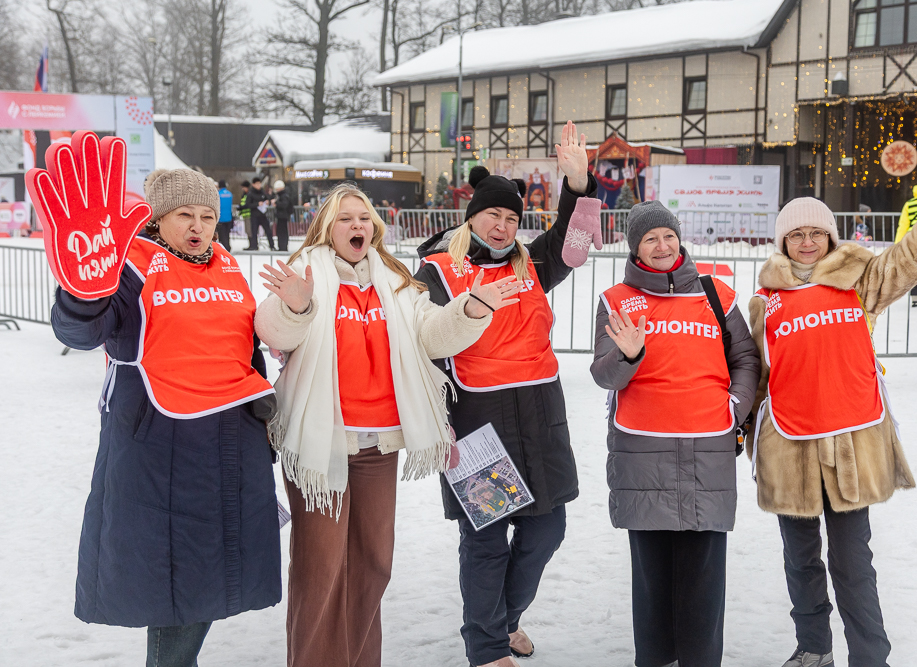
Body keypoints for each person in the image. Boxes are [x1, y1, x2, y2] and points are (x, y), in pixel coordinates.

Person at [255, 183, 521, 667]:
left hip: (379, 445)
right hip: (321, 446)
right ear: (326, 227)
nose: (357, 226)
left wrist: (471, 309)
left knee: (374, 563)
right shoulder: (304, 274)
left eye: (364, 218)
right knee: (322, 569)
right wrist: (296, 306)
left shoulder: (394, 278)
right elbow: (273, 331)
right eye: (345, 218)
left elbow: (432, 335)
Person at [51, 169, 282, 666]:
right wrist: (80, 292)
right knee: (172, 579)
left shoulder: (222, 262)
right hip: (159, 439)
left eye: (206, 216)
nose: (199, 227)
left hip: (230, 435)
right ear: (158, 219)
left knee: (211, 572)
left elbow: (243, 342)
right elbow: (82, 333)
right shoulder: (128, 265)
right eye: (184, 216)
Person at [747, 192, 917, 667]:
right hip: (788, 447)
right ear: (783, 241)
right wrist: (743, 431)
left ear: (831, 236)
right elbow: (758, 374)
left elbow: (913, 256)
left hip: (849, 441)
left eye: (817, 233)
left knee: (852, 565)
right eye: (797, 234)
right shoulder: (764, 301)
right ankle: (813, 648)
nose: (808, 242)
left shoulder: (862, 279)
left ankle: (870, 657)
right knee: (801, 562)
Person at [413, 121, 597, 667]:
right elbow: (425, 340)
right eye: (492, 214)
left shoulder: (530, 263)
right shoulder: (438, 270)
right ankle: (488, 645)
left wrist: (579, 186)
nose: (502, 226)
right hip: (477, 420)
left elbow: (575, 241)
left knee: (548, 528)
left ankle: (505, 619)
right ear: (472, 217)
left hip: (540, 416)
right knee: (488, 538)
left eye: (512, 218)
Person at [590, 201, 760, 667]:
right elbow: (604, 376)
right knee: (652, 577)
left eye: (668, 235)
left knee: (704, 574)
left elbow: (745, 360)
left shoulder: (716, 295)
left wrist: (733, 408)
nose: (662, 246)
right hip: (643, 452)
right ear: (636, 247)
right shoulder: (617, 300)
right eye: (650, 239)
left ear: (679, 238)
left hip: (708, 447)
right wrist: (627, 355)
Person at [246, 176, 275, 251]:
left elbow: (267, 197)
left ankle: (272, 245)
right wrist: (257, 204)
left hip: (263, 215)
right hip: (254, 215)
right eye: (257, 184)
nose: (259, 185)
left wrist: (267, 201)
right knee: (254, 231)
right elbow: (248, 204)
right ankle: (254, 246)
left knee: (268, 230)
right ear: (253, 184)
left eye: (260, 184)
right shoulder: (250, 194)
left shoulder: (262, 192)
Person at [273, 179, 294, 252]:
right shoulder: (284, 195)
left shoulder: (283, 196)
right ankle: (282, 246)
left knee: (282, 232)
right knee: (282, 232)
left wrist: (276, 203)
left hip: (282, 216)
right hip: (283, 216)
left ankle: (282, 247)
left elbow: (284, 205)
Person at [217, 179, 234, 251]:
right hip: (229, 217)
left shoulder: (218, 194)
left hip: (221, 218)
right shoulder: (230, 194)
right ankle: (228, 246)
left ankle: (225, 248)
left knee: (222, 235)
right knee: (227, 234)